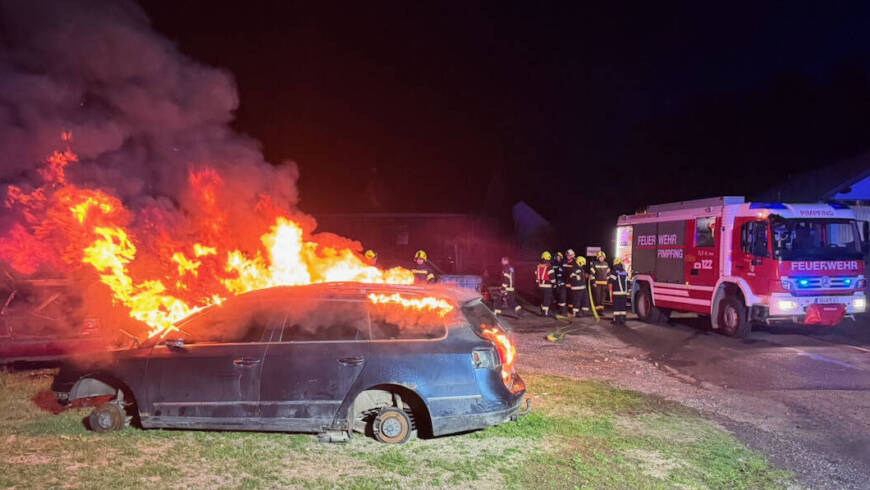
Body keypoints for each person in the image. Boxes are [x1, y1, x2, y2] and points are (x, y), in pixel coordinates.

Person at [608, 258, 629, 325]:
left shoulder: (614, 272)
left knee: (617, 307)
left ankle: (617, 320)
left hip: (617, 292)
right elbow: (628, 282)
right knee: (622, 307)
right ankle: (623, 320)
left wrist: (608, 275)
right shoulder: (625, 272)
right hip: (624, 293)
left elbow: (610, 281)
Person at [535, 251, 556, 316]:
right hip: (547, 286)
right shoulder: (549, 267)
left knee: (543, 299)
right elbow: (552, 277)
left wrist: (537, 284)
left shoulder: (538, 266)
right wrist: (554, 284)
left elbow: (537, 276)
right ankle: (545, 313)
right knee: (547, 299)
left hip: (540, 286)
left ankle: (543, 311)